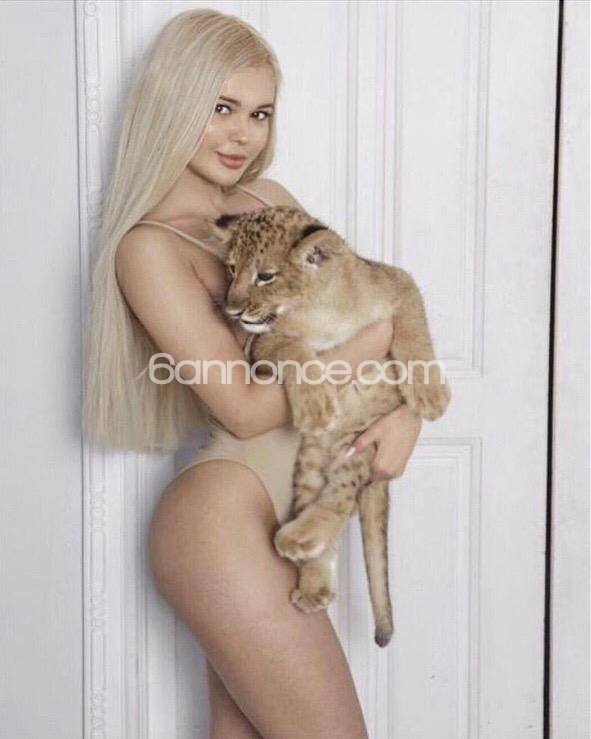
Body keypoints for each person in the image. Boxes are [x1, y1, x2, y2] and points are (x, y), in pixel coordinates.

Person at [84, 9, 422, 738]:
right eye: (222, 108)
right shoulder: (149, 248)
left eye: (260, 114)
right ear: (174, 103)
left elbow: (370, 299)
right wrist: (373, 346)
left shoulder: (271, 203)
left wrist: (407, 413)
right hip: (222, 517)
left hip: (295, 501)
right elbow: (243, 407)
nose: (244, 135)